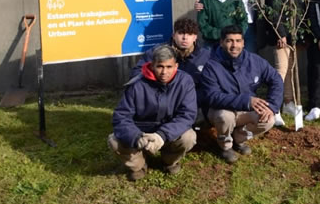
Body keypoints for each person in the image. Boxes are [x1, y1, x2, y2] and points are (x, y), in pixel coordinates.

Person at [109, 45, 197, 181]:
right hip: (141, 131)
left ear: (176, 66)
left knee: (189, 137)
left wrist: (162, 135)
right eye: (160, 66)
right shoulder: (136, 85)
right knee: (114, 141)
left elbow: (187, 115)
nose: (164, 72)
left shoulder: (186, 82)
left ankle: (169, 161)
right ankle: (138, 165)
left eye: (169, 67)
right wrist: (137, 137)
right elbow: (121, 117)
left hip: (167, 131)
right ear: (151, 65)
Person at [199, 25, 283, 163]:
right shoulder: (211, 66)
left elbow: (276, 80)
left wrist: (272, 106)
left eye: (238, 41)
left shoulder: (255, 61)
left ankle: (238, 139)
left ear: (243, 43)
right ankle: (225, 146)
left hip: (245, 110)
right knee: (224, 116)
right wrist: (246, 101)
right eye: (229, 41)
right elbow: (212, 97)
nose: (234, 45)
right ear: (221, 42)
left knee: (269, 119)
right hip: (220, 110)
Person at [264, 0, 313, 120]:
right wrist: (281, 33)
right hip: (282, 34)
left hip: (296, 34)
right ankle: (274, 107)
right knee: (281, 70)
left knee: (291, 70)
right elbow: (274, 8)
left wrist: (303, 35)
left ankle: (288, 103)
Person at [130, 18, 211, 85]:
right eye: (181, 33)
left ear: (195, 37)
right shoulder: (158, 51)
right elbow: (137, 72)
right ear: (174, 35)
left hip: (195, 99)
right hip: (164, 95)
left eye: (189, 34)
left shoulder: (206, 55)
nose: (185, 37)